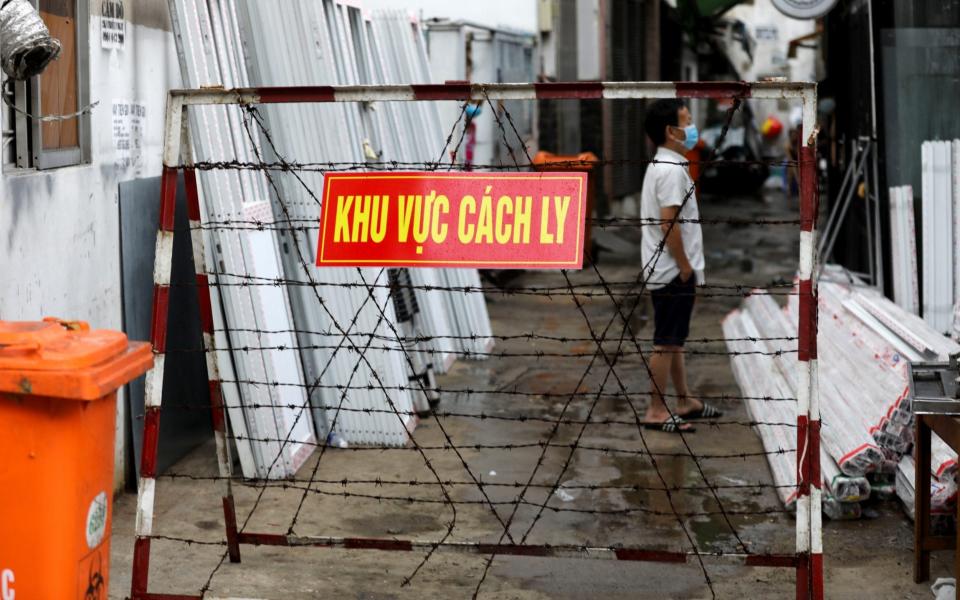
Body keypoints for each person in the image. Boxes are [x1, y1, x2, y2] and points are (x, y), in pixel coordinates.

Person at [639, 99, 723, 433]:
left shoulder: (665, 164)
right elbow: (668, 224)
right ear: (670, 131)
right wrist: (685, 265)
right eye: (686, 122)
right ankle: (656, 410)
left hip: (667, 266)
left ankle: (684, 400)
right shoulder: (672, 170)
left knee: (674, 339)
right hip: (672, 269)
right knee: (666, 339)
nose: (692, 128)